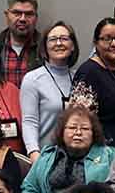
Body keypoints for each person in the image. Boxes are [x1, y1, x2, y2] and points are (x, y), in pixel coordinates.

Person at [21, 106, 115, 193]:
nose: (78, 133)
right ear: (62, 131)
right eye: (72, 127)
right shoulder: (47, 155)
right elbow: (28, 189)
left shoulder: (109, 156)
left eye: (85, 128)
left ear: (94, 133)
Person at [69, 18, 115, 146]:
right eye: (107, 39)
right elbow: (80, 120)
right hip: (102, 150)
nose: (114, 44)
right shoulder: (88, 72)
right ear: (96, 43)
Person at [20, 22, 79, 160]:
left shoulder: (79, 77)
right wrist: (34, 153)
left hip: (77, 157)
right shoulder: (33, 79)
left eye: (64, 38)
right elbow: (29, 121)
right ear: (45, 47)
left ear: (73, 46)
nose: (59, 43)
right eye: (53, 39)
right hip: (45, 157)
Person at [0, 0, 41, 87]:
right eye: (17, 13)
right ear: (7, 15)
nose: (22, 19)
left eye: (29, 14)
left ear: (36, 17)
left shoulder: (45, 48)